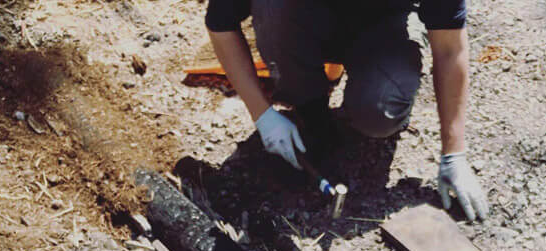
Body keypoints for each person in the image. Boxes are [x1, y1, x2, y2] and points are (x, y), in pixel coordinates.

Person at [205, 0, 489, 222]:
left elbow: (450, 48)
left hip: (385, 23)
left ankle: (369, 89)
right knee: (272, 7)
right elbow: (220, 23)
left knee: (380, 114)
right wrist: (262, 114)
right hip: (302, 18)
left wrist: (454, 154)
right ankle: (310, 108)